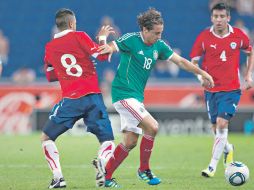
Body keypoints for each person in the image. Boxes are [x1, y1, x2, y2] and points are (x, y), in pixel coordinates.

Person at [96, 8, 215, 187]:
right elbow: (109, 49)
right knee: (152, 126)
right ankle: (144, 169)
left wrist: (202, 72)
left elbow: (181, 61)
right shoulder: (131, 39)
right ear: (145, 29)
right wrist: (105, 43)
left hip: (136, 97)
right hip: (123, 94)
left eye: (161, 32)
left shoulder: (159, 45)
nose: (159, 36)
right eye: (156, 33)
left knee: (130, 142)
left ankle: (106, 177)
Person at [41, 8, 116, 189]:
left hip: (71, 99)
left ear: (58, 26)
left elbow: (50, 76)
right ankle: (102, 162)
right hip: (93, 97)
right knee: (108, 141)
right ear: (72, 24)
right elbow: (104, 56)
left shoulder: (50, 47)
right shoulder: (80, 36)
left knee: (47, 138)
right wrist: (103, 38)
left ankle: (58, 178)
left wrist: (66, 71)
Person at [190, 3, 254, 178]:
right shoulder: (204, 37)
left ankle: (211, 166)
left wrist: (248, 76)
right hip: (211, 91)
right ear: (211, 18)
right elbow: (193, 62)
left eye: (222, 16)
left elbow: (250, 52)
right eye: (216, 17)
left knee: (221, 124)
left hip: (231, 89)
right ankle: (228, 148)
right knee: (216, 129)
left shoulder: (239, 36)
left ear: (228, 18)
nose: (219, 20)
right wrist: (200, 78)